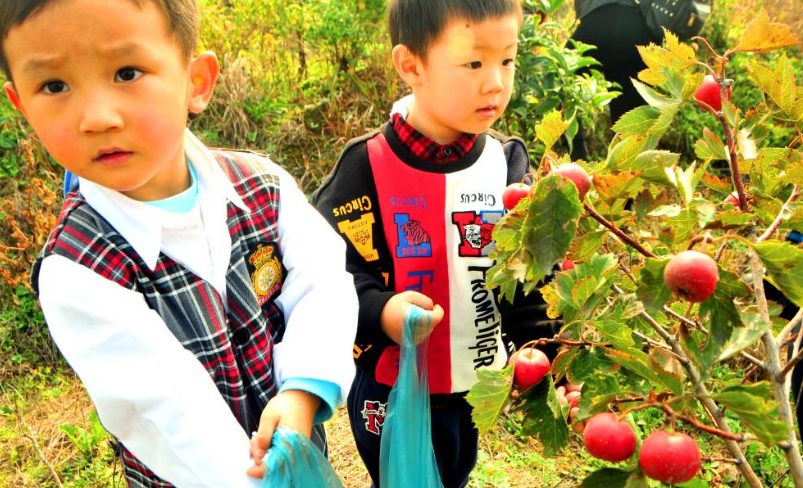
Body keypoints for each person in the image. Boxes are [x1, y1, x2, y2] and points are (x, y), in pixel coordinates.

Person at [0, 0, 358, 486]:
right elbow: (166, 414)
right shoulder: (78, 270)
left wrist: (303, 389)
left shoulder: (263, 186)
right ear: (21, 103)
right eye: (54, 86)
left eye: (127, 72)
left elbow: (323, 284)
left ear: (197, 82)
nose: (98, 117)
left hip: (296, 453)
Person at [313, 0, 561, 486]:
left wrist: (552, 350)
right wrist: (380, 310)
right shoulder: (367, 167)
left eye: (507, 60)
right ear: (411, 65)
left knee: (454, 472)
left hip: (471, 386)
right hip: (389, 387)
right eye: (473, 63)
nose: (495, 82)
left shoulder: (506, 167)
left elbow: (529, 278)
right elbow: (324, 274)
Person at [569, 0, 663, 159]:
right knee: (632, 115)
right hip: (635, 25)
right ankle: (631, 172)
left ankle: (576, 161)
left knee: (561, 81)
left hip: (596, 22)